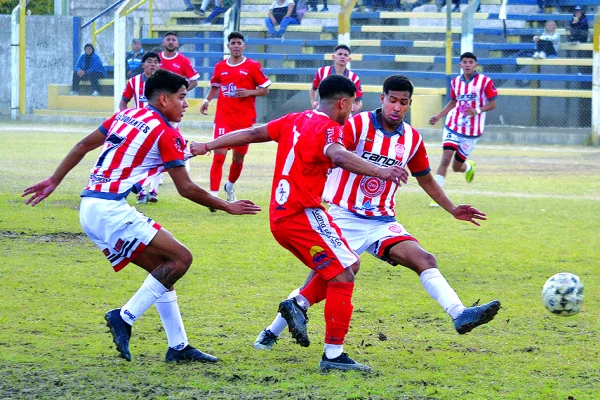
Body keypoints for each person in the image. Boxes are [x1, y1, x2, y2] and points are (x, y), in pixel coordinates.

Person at [22, 69, 261, 363]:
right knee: (181, 259)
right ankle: (124, 316)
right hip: (110, 210)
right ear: (163, 99)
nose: (186, 104)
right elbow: (185, 188)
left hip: (91, 208)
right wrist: (227, 206)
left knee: (163, 271)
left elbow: (84, 145)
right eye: (182, 97)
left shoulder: (127, 116)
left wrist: (54, 180)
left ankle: (178, 347)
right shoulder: (165, 132)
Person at [254, 75, 499, 354]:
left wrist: (453, 208)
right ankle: (270, 333)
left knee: (424, 258)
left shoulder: (411, 139)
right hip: (344, 216)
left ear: (408, 105)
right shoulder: (354, 125)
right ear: (382, 98)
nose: (396, 107)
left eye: (403, 103)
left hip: (383, 220)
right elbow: (332, 151)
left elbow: (426, 179)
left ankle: (459, 313)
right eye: (392, 100)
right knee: (319, 279)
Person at [191, 75, 409, 371]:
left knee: (349, 266)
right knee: (343, 277)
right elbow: (339, 154)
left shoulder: (294, 119)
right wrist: (380, 171)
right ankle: (333, 355)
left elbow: (253, 134)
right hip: (302, 214)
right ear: (343, 103)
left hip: (282, 217)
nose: (353, 111)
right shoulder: (330, 128)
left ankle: (298, 305)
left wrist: (208, 145)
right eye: (352, 105)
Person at [200, 31, 271, 209]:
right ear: (228, 46)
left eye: (239, 43)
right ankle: (214, 198)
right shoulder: (220, 67)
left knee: (238, 159)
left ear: (244, 46)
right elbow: (215, 86)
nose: (236, 45)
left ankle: (229, 186)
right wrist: (207, 100)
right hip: (224, 118)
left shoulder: (252, 66)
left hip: (244, 120)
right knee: (218, 156)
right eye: (233, 43)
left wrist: (249, 92)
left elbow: (265, 90)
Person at [428, 52, 497, 207]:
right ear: (460, 65)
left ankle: (468, 167)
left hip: (472, 132)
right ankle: (437, 196)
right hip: (453, 125)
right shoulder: (455, 82)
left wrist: (477, 111)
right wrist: (439, 116)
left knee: (456, 166)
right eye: (464, 62)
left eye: (470, 62)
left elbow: (493, 104)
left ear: (476, 65)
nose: (467, 64)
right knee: (445, 158)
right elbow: (453, 102)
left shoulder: (485, 82)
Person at [119, 52, 163, 204]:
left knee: (159, 159)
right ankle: (142, 191)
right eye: (149, 61)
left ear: (159, 65)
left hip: (159, 127)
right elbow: (123, 101)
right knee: (140, 160)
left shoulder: (165, 83)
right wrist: (125, 117)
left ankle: (153, 191)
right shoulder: (134, 82)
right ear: (143, 64)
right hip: (141, 128)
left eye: (156, 62)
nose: (153, 64)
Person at [309, 45, 363, 113]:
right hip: (323, 113)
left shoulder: (354, 78)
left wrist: (356, 107)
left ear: (349, 59)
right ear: (333, 57)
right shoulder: (322, 71)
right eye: (340, 54)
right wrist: (313, 101)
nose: (342, 57)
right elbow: (313, 89)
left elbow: (359, 102)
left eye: (345, 55)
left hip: (343, 116)